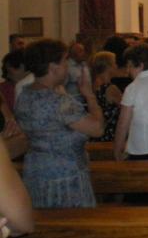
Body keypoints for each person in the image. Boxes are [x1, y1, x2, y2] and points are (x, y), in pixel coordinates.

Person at [15, 39, 104, 209]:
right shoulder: (59, 102)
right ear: (52, 67)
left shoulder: (24, 95)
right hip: (66, 178)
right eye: (64, 61)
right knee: (73, 223)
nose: (67, 66)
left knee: (44, 221)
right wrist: (89, 95)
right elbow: (97, 129)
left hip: (36, 172)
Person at [89, 51, 122, 142]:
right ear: (108, 67)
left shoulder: (92, 85)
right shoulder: (111, 88)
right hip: (110, 135)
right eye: (114, 63)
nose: (116, 66)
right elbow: (126, 109)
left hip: (95, 133)